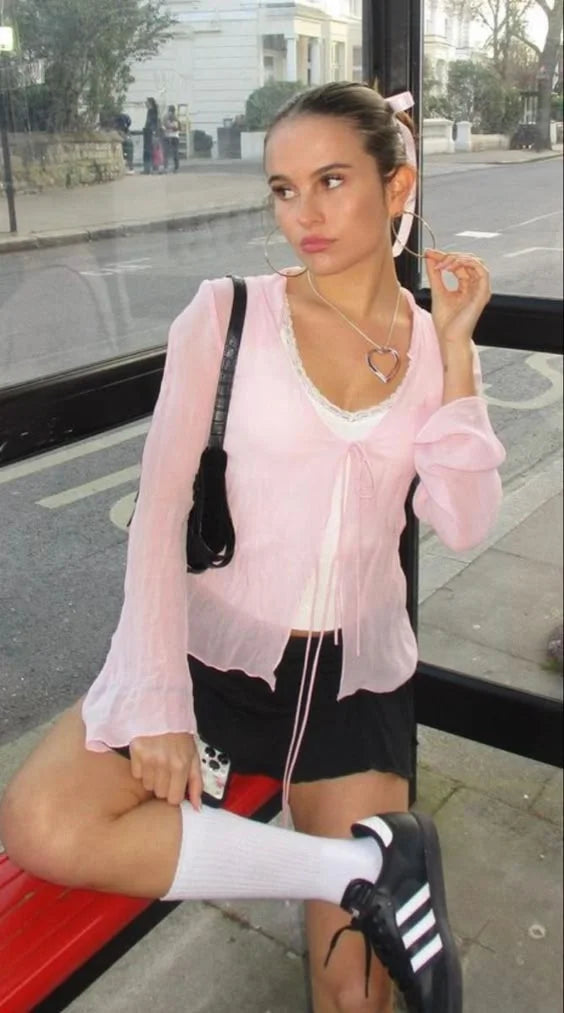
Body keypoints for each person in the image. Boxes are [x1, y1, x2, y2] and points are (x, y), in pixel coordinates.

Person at [0, 82, 506, 1013]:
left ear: (398, 188)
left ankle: (358, 870)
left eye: (330, 181)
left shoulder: (432, 348)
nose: (302, 215)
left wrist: (461, 352)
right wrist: (156, 696)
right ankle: (358, 868)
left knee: (354, 1000)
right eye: (281, 189)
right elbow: (157, 513)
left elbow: (467, 520)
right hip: (209, 656)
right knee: (41, 819)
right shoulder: (227, 314)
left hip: (354, 679)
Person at [142, 96, 161, 174]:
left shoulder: (151, 111)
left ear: (150, 103)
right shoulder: (153, 111)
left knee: (149, 150)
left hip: (150, 133)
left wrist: (149, 129)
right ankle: (153, 167)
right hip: (152, 132)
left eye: (147, 102)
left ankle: (148, 168)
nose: (145, 104)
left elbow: (151, 122)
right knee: (153, 150)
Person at [163, 104, 181, 172]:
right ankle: (175, 167)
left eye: (169, 110)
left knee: (167, 152)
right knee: (174, 152)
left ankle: (167, 167)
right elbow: (178, 128)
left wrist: (169, 127)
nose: (168, 112)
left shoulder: (168, 117)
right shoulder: (176, 118)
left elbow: (176, 128)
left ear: (170, 111)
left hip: (169, 136)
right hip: (174, 136)